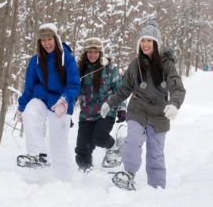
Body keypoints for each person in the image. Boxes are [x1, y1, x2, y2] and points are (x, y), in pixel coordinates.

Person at [101, 20, 186, 189]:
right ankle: (129, 173)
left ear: (156, 43)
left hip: (159, 113)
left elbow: (177, 87)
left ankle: (157, 187)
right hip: (138, 109)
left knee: (156, 153)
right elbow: (124, 89)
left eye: (149, 41)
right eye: (143, 41)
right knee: (132, 140)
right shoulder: (135, 64)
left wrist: (174, 104)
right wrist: (109, 104)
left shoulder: (167, 64)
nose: (145, 44)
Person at [17, 23, 81, 181]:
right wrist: (21, 107)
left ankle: (64, 181)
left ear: (56, 40)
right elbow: (29, 87)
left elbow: (74, 84)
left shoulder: (68, 59)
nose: (46, 43)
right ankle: (38, 154)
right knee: (30, 113)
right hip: (41, 100)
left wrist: (65, 100)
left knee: (58, 144)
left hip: (61, 103)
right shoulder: (35, 61)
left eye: (49, 39)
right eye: (43, 40)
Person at [75, 37, 127, 173]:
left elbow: (120, 91)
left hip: (106, 111)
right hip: (86, 113)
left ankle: (113, 146)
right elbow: (72, 92)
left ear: (100, 53)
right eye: (90, 51)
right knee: (82, 149)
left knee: (99, 138)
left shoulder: (109, 69)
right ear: (85, 53)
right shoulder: (79, 70)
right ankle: (85, 175)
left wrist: (121, 109)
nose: (93, 54)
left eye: (96, 51)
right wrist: (67, 112)